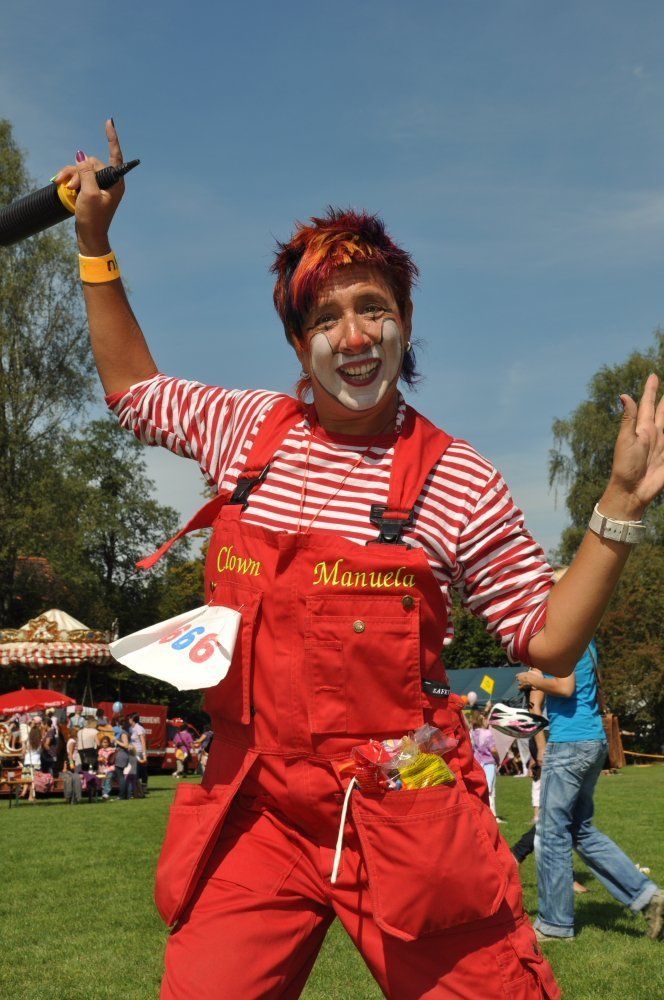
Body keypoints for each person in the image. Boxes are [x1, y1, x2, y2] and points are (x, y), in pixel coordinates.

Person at [53, 120, 664, 999]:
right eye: (325, 317)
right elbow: (134, 391)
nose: (353, 336)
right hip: (258, 811)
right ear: (297, 342)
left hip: (403, 805)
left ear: (405, 323)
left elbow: (547, 640)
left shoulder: (458, 478)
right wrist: (94, 243)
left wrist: (617, 510)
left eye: (373, 307)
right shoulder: (243, 431)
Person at [517, 641, 664, 941]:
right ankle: (649, 898)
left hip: (570, 742)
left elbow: (565, 687)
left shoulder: (563, 640)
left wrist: (533, 680)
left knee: (550, 833)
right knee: (579, 830)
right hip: (591, 740)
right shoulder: (585, 641)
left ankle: (555, 925)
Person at [469, 711, 501, 820]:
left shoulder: (472, 733)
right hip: (488, 763)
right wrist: (498, 759)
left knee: (480, 789)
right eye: (487, 719)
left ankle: (480, 812)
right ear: (483, 720)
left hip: (477, 763)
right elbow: (493, 750)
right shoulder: (488, 733)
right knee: (490, 790)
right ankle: (492, 815)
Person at [128, 712, 149, 795]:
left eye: (129, 718)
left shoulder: (139, 728)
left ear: (132, 719)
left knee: (139, 771)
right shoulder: (131, 728)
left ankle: (140, 790)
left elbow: (143, 742)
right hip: (132, 752)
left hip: (139, 752)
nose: (128, 720)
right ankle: (137, 790)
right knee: (134, 772)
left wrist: (144, 755)